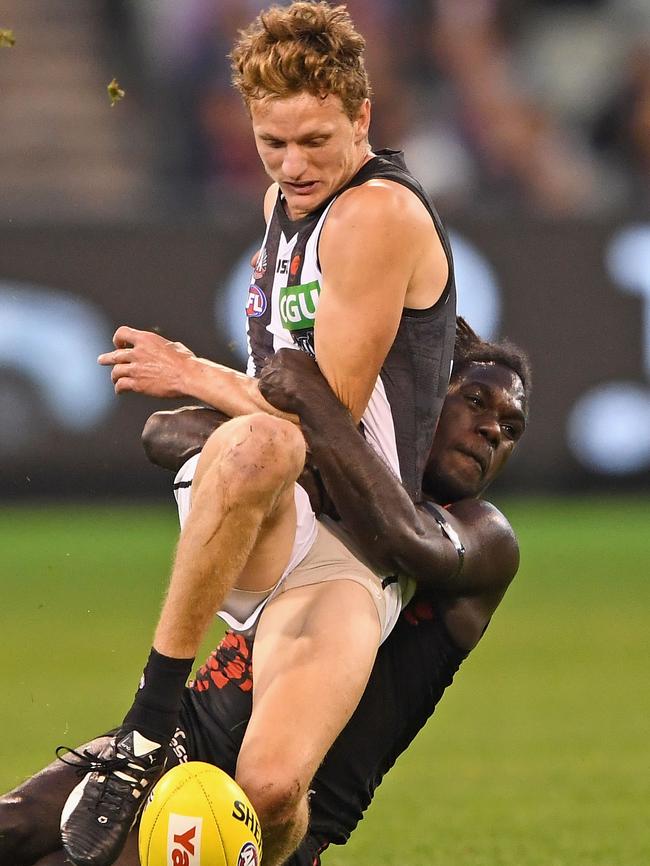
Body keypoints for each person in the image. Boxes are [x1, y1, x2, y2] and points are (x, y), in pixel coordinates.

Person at [61, 4, 456, 866]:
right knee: (257, 449)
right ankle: (150, 720)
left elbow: (330, 422)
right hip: (270, 505)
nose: (292, 163)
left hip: (351, 542)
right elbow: (281, 428)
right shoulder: (284, 200)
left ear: (363, 116)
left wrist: (191, 373)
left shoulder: (374, 216)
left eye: (316, 140)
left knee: (273, 791)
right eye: (273, 142)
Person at [0, 319, 530, 866]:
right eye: (474, 400)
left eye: (511, 428)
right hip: (188, 734)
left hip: (281, 820)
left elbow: (408, 539)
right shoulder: (342, 473)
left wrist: (312, 419)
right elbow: (168, 432)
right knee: (11, 826)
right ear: (423, 403)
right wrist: (293, 452)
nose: (492, 429)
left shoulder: (486, 538)